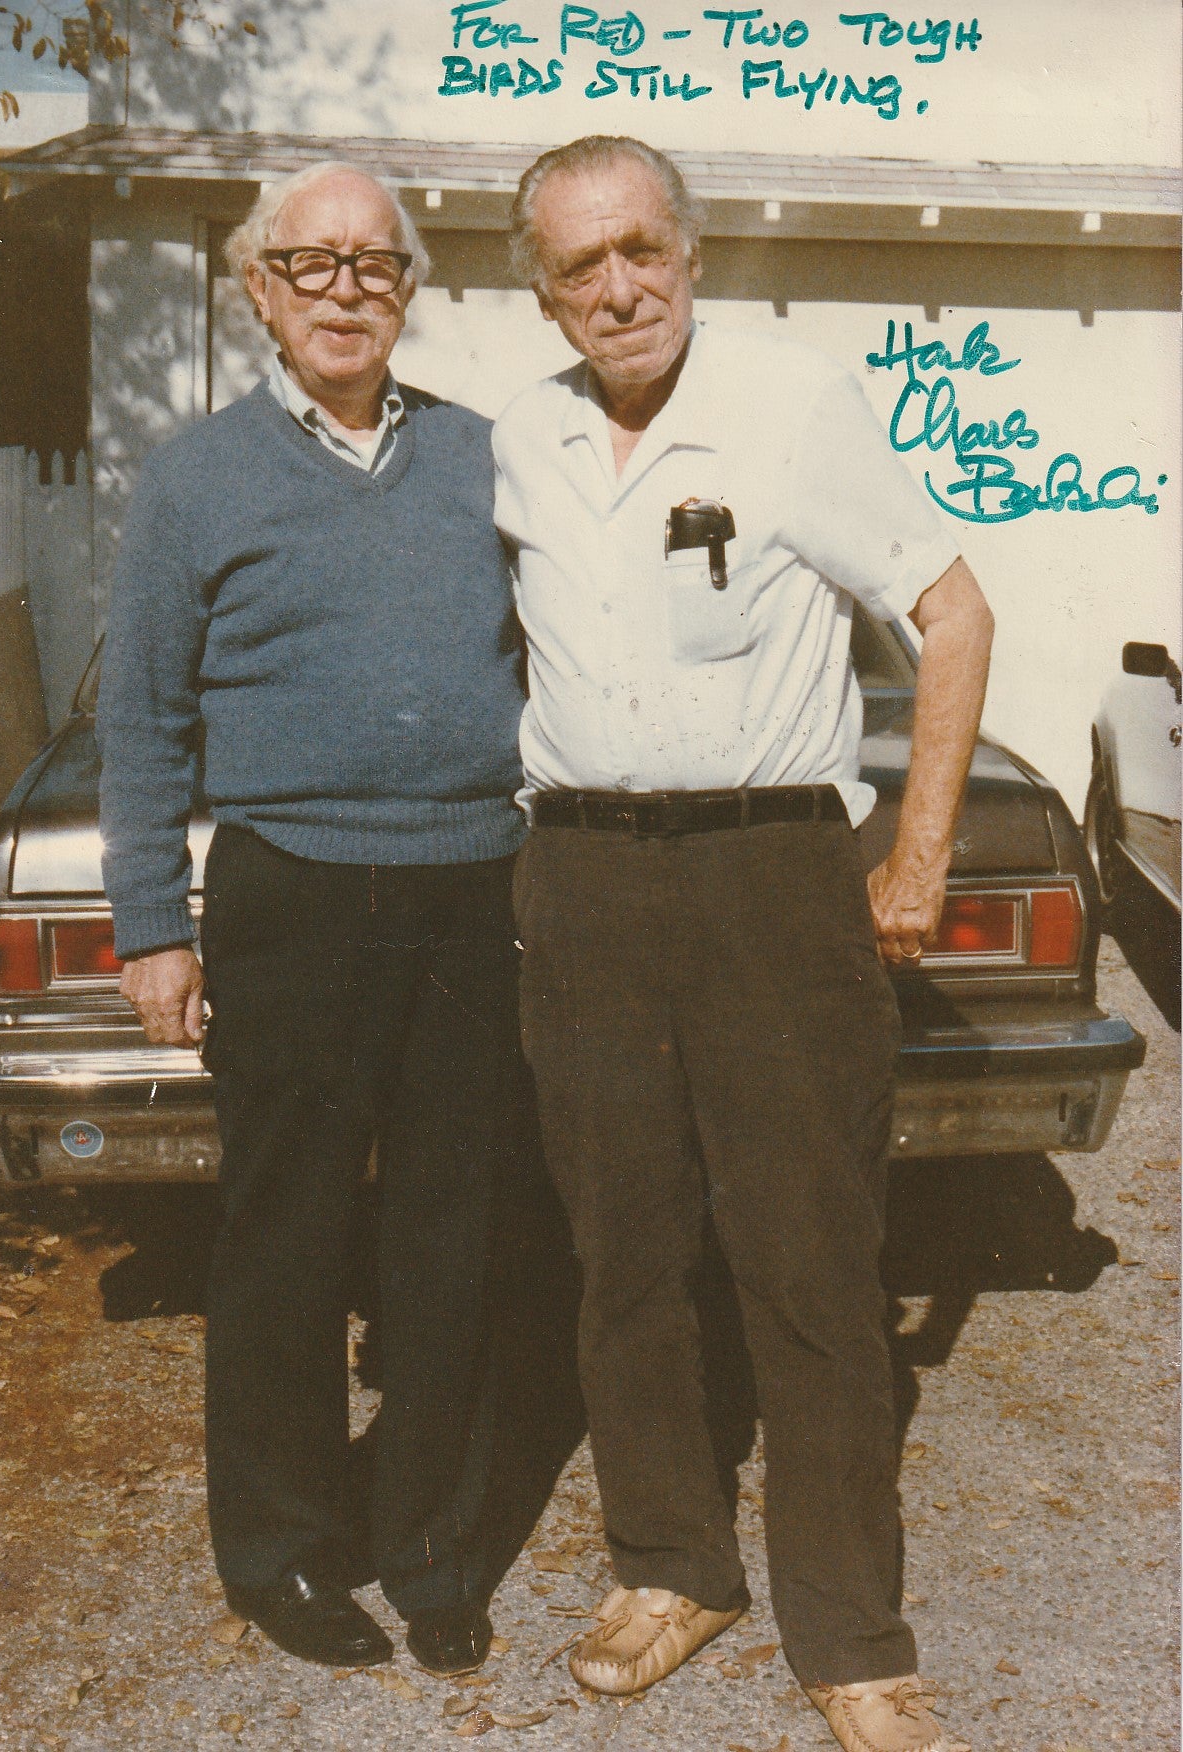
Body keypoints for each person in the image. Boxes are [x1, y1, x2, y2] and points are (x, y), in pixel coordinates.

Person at [493, 134, 992, 1752]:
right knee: (622, 1253)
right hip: (582, 879)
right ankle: (669, 1565)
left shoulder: (790, 405)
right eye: (580, 264)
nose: (618, 287)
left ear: (690, 254)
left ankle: (848, 1631)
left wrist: (911, 854)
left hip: (771, 874)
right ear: (545, 290)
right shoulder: (524, 438)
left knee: (807, 1261)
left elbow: (956, 611)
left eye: (642, 248)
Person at [97, 163, 526, 1679]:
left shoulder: (489, 458)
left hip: (474, 885)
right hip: (290, 887)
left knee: (452, 1231)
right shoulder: (193, 477)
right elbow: (142, 723)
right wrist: (154, 923)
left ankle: (430, 1547)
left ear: (408, 291)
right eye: (312, 265)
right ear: (259, 291)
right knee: (283, 1233)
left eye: (374, 266)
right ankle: (280, 1548)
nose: (345, 290)